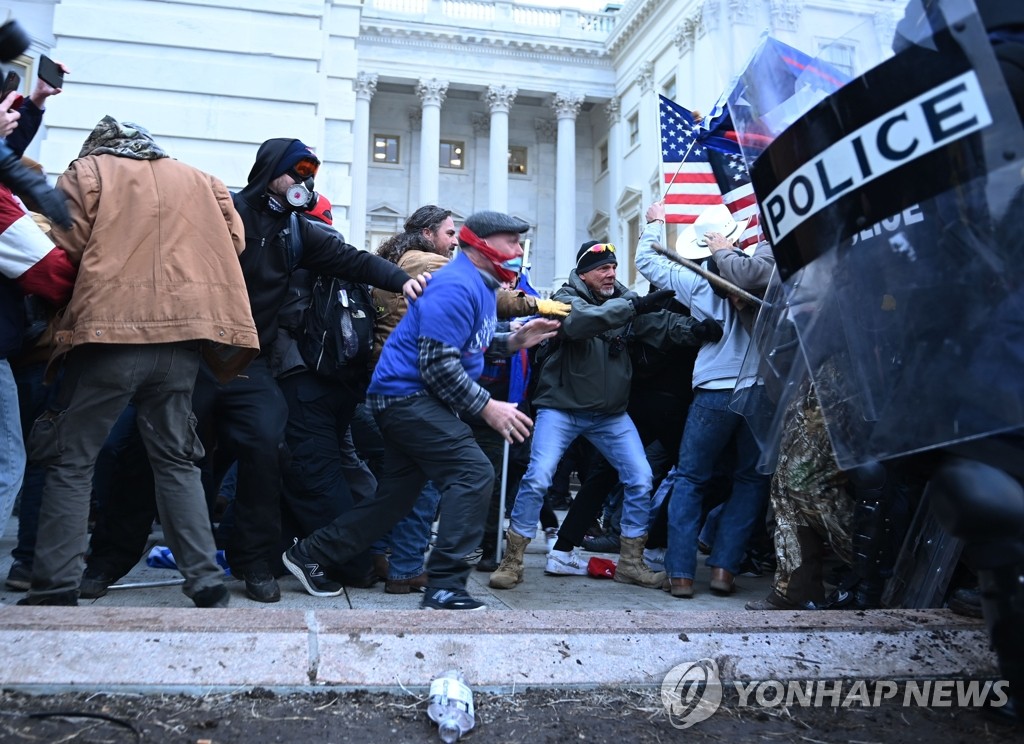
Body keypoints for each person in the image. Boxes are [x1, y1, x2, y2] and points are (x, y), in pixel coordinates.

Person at [19, 115, 258, 607]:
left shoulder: (88, 173)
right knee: (178, 461)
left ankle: (55, 584)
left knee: (71, 458)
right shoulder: (202, 180)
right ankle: (205, 580)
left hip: (109, 336)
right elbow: (233, 243)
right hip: (182, 342)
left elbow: (64, 244)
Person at [283, 210, 560, 610]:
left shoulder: (480, 288)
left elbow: (463, 349)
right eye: (511, 242)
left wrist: (511, 344)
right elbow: (437, 363)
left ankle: (309, 553)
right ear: (480, 244)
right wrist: (488, 407)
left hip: (409, 399)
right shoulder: (455, 285)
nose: (519, 250)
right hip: (407, 399)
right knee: (473, 471)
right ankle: (445, 585)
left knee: (394, 500)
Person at [191, 138, 425, 603]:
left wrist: (404, 279)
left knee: (265, 449)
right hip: (195, 356)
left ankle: (255, 564)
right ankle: (111, 559)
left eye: (309, 175)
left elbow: (354, 261)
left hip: (247, 362)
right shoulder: (225, 214)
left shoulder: (297, 231)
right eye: (296, 173)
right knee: (169, 454)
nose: (304, 183)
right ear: (269, 171)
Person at [488, 239, 720, 591]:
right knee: (538, 478)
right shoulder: (564, 300)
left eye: (613, 267)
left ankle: (630, 562)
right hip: (561, 409)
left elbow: (658, 324)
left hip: (609, 415)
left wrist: (695, 331)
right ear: (584, 273)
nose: (611, 272)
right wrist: (633, 306)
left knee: (641, 477)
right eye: (602, 268)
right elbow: (584, 322)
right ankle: (512, 560)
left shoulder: (622, 301)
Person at [635, 200, 772, 598]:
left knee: (692, 478)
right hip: (758, 389)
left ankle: (680, 574)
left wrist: (655, 223)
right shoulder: (757, 272)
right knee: (749, 479)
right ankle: (724, 570)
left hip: (713, 388)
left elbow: (647, 260)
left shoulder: (694, 280)